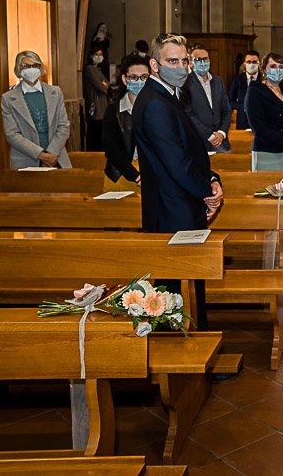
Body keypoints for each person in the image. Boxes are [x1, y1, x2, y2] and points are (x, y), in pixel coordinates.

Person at [132, 34, 223, 328]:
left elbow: (190, 149)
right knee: (177, 291)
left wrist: (211, 177)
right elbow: (177, 163)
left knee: (187, 286)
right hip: (174, 210)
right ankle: (188, 353)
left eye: (185, 60)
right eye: (173, 61)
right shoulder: (156, 103)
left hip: (180, 204)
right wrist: (207, 190)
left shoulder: (169, 95)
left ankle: (193, 346)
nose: (182, 67)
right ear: (155, 64)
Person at [1, 50, 72, 169]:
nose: (31, 69)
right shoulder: (8, 98)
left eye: (35, 65)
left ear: (41, 68)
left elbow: (63, 126)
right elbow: (12, 134)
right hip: (25, 161)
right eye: (26, 66)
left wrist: (51, 154)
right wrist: (41, 155)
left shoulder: (55, 92)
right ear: (19, 69)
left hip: (56, 159)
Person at [245, 52, 283, 171]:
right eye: (273, 66)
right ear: (264, 69)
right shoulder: (255, 91)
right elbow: (259, 129)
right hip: (267, 152)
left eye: (281, 67)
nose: (277, 70)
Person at [102, 57, 148, 192]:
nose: (139, 81)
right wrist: (135, 175)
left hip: (150, 173)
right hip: (120, 174)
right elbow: (110, 148)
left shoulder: (157, 108)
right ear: (124, 79)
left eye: (144, 77)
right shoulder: (114, 110)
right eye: (134, 77)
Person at [185, 44, 233, 152]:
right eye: (198, 59)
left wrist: (221, 133)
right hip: (199, 142)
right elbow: (188, 115)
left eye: (205, 59)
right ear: (191, 63)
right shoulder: (185, 83)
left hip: (221, 142)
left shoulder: (218, 81)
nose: (203, 62)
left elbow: (226, 110)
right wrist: (209, 135)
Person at [83, 44, 110, 151]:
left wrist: (105, 85)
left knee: (101, 133)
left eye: (101, 54)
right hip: (96, 105)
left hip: (102, 105)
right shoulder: (89, 69)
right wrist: (104, 85)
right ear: (91, 56)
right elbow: (101, 86)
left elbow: (107, 83)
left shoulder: (98, 69)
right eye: (96, 54)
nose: (99, 56)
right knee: (95, 133)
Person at [228, 49, 260, 130]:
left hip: (261, 122)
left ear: (259, 64)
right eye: (249, 62)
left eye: (254, 62)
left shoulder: (264, 79)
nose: (251, 64)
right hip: (242, 122)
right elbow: (230, 102)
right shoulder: (238, 79)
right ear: (244, 64)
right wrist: (244, 107)